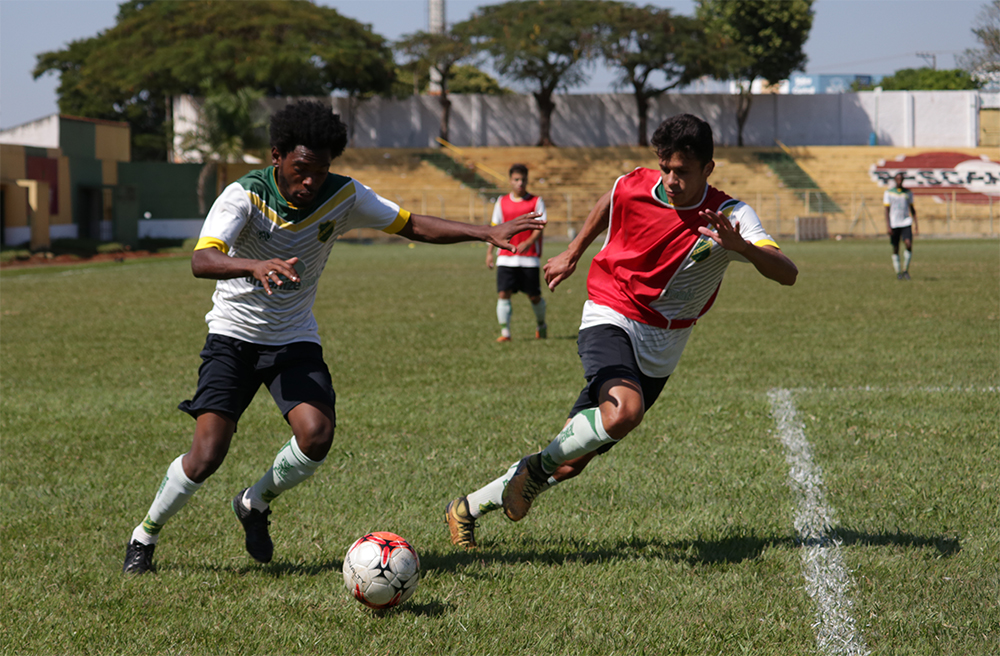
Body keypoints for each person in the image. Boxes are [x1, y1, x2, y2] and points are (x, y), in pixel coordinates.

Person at [123, 100, 544, 574]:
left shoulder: (343, 196)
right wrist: (254, 265)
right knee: (205, 456)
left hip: (293, 338)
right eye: (302, 170)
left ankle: (254, 502)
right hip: (234, 338)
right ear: (277, 155)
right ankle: (145, 535)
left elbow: (411, 224)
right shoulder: (243, 196)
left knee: (317, 434)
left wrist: (482, 232)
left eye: (320, 172)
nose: (310, 182)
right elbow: (203, 260)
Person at [444, 114, 798, 548]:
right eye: (665, 168)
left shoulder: (731, 216)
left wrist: (742, 248)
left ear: (708, 168)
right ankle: (532, 472)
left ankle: (468, 507)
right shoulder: (635, 185)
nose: (670, 179)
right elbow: (611, 198)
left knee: (573, 460)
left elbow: (787, 274)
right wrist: (574, 252)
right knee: (624, 412)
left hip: (666, 343)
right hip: (611, 312)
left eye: (682, 172)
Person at [485, 164, 548, 341]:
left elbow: (541, 225)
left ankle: (541, 324)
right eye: (516, 179)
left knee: (534, 296)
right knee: (503, 293)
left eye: (523, 179)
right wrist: (490, 252)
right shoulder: (502, 201)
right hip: (506, 258)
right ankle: (505, 333)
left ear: (527, 180)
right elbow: (494, 228)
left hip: (529, 259)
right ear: (510, 180)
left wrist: (528, 242)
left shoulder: (536, 201)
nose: (520, 183)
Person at [884, 172, 918, 280]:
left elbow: (912, 209)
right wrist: (888, 225)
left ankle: (905, 270)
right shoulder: (889, 193)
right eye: (897, 179)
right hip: (894, 223)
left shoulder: (908, 193)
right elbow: (886, 210)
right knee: (896, 247)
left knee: (908, 244)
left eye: (901, 179)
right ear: (895, 180)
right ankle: (898, 272)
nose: (899, 181)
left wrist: (916, 223)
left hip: (906, 222)